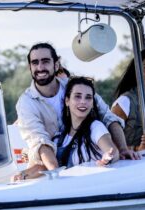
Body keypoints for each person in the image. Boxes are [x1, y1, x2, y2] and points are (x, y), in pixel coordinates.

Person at [15, 43, 128, 172]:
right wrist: (57, 172)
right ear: (30, 67)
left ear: (56, 65)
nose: (40, 67)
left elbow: (108, 117)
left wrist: (123, 149)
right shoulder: (25, 103)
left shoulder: (75, 87)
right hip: (47, 166)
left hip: (83, 162)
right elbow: (39, 141)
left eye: (45, 61)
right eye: (35, 63)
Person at [15, 77, 117, 181]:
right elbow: (46, 167)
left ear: (92, 103)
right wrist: (23, 174)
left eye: (88, 97)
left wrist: (106, 159)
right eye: (77, 96)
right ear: (67, 101)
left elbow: (112, 151)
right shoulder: (59, 137)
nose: (83, 101)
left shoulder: (95, 127)